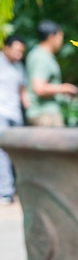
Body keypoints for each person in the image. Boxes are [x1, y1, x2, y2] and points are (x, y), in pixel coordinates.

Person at [25, 20, 78, 127]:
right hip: (45, 115)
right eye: (60, 37)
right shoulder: (41, 57)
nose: (61, 41)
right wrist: (65, 88)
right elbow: (39, 89)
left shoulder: (39, 54)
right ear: (51, 37)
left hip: (45, 113)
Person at [0, 35, 30, 205]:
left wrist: (30, 108)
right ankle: (6, 192)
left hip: (16, 114)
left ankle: (18, 189)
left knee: (17, 152)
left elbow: (22, 90)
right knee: (2, 153)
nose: (19, 54)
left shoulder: (18, 66)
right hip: (1, 113)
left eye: (22, 52)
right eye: (17, 50)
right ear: (6, 47)